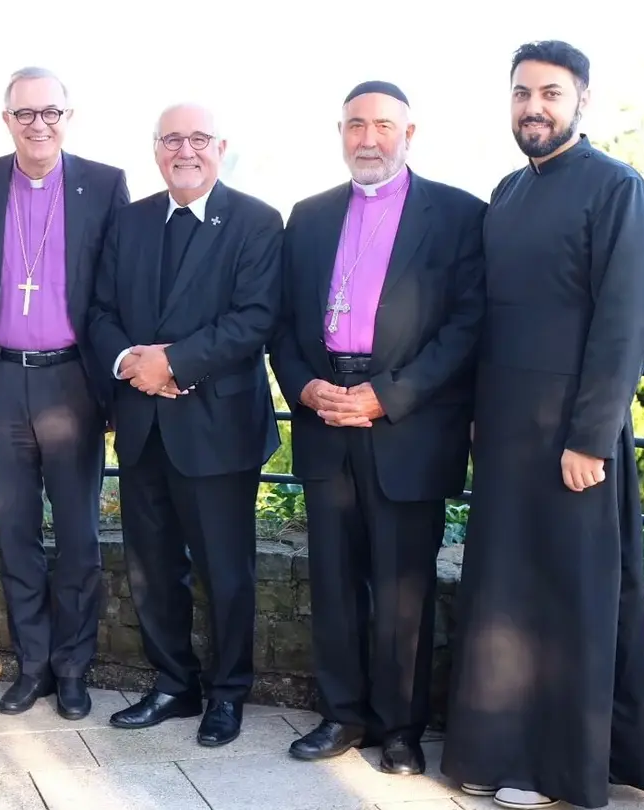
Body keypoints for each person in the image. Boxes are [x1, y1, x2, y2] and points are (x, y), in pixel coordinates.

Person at [440, 41, 644, 810]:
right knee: (503, 598)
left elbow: (627, 321)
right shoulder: (507, 192)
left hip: (573, 438)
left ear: (581, 101)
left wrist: (590, 438)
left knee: (564, 602)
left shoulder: (618, 188)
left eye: (550, 93)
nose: (533, 107)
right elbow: (489, 320)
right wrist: (477, 416)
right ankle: (495, 750)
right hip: (505, 433)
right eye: (521, 93)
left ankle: (552, 770)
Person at [269, 81, 486, 776]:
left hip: (406, 422)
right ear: (340, 132)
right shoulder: (308, 216)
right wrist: (303, 386)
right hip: (325, 411)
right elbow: (281, 321)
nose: (368, 138)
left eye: (383, 126)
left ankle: (399, 729)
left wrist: (386, 397)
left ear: (409, 134)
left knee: (403, 588)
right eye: (355, 125)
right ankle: (341, 714)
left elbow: (466, 328)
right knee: (332, 579)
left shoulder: (458, 215)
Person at [87, 102, 282, 747]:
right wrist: (129, 362)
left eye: (199, 139)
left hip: (217, 427)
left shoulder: (256, 221)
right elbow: (100, 310)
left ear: (221, 147)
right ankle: (174, 683)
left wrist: (172, 362)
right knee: (151, 566)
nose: (186, 151)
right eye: (173, 139)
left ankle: (227, 694)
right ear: (156, 150)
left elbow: (255, 318)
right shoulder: (129, 221)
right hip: (143, 422)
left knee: (226, 570)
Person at [0, 67, 129, 720]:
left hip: (72, 381)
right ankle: (32, 667)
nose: (38, 124)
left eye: (50, 112)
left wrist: (117, 387)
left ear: (67, 117)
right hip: (1, 381)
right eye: (25, 113)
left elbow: (119, 290)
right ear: (7, 120)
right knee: (16, 531)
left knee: (78, 536)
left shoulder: (104, 185)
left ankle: (73, 669)